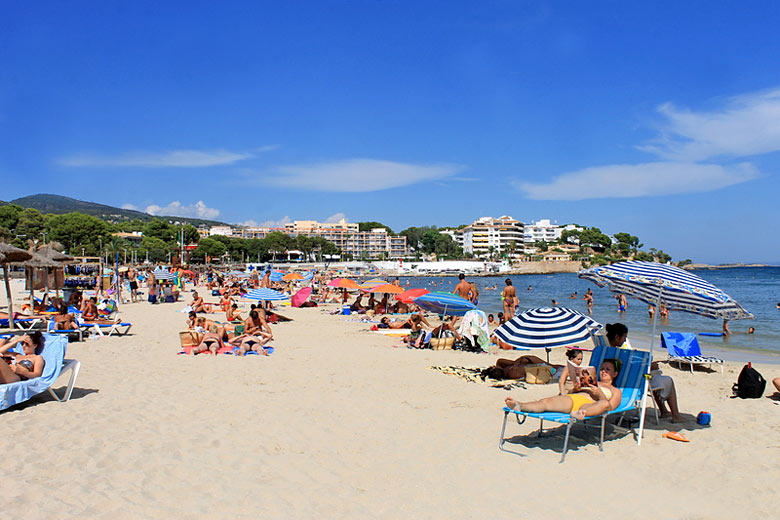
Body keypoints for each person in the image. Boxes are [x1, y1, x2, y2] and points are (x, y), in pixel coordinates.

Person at [504, 359, 622, 420]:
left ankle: (580, 413)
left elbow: (610, 407)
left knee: (604, 403)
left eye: (608, 369)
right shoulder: (594, 380)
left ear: (615, 374)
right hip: (575, 399)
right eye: (602, 368)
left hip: (593, 405)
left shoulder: (615, 391)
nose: (603, 371)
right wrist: (576, 389)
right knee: (546, 402)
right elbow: (570, 393)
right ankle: (520, 405)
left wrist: (600, 394)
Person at [484, 355, 560, 380]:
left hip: (530, 365)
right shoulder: (510, 370)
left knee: (553, 366)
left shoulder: (508, 371)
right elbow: (520, 359)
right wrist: (515, 365)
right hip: (530, 362)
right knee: (552, 366)